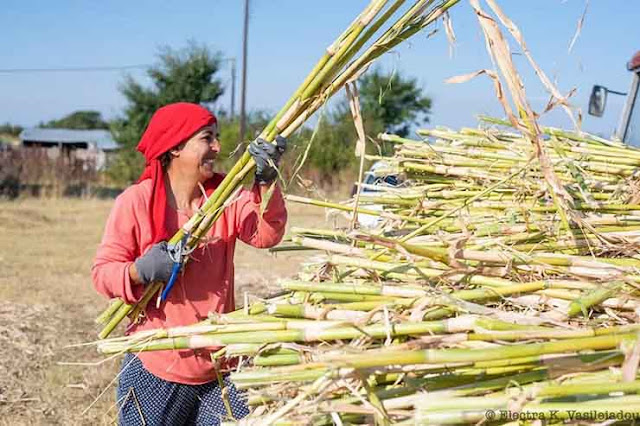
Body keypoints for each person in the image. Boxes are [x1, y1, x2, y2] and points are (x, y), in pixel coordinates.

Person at [91, 102, 287, 425]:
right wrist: (139, 270)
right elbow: (102, 273)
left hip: (218, 369)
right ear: (176, 147)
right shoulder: (135, 202)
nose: (217, 147)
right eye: (207, 138)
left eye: (217, 137)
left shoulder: (225, 199)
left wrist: (267, 182)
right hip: (156, 366)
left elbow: (266, 234)